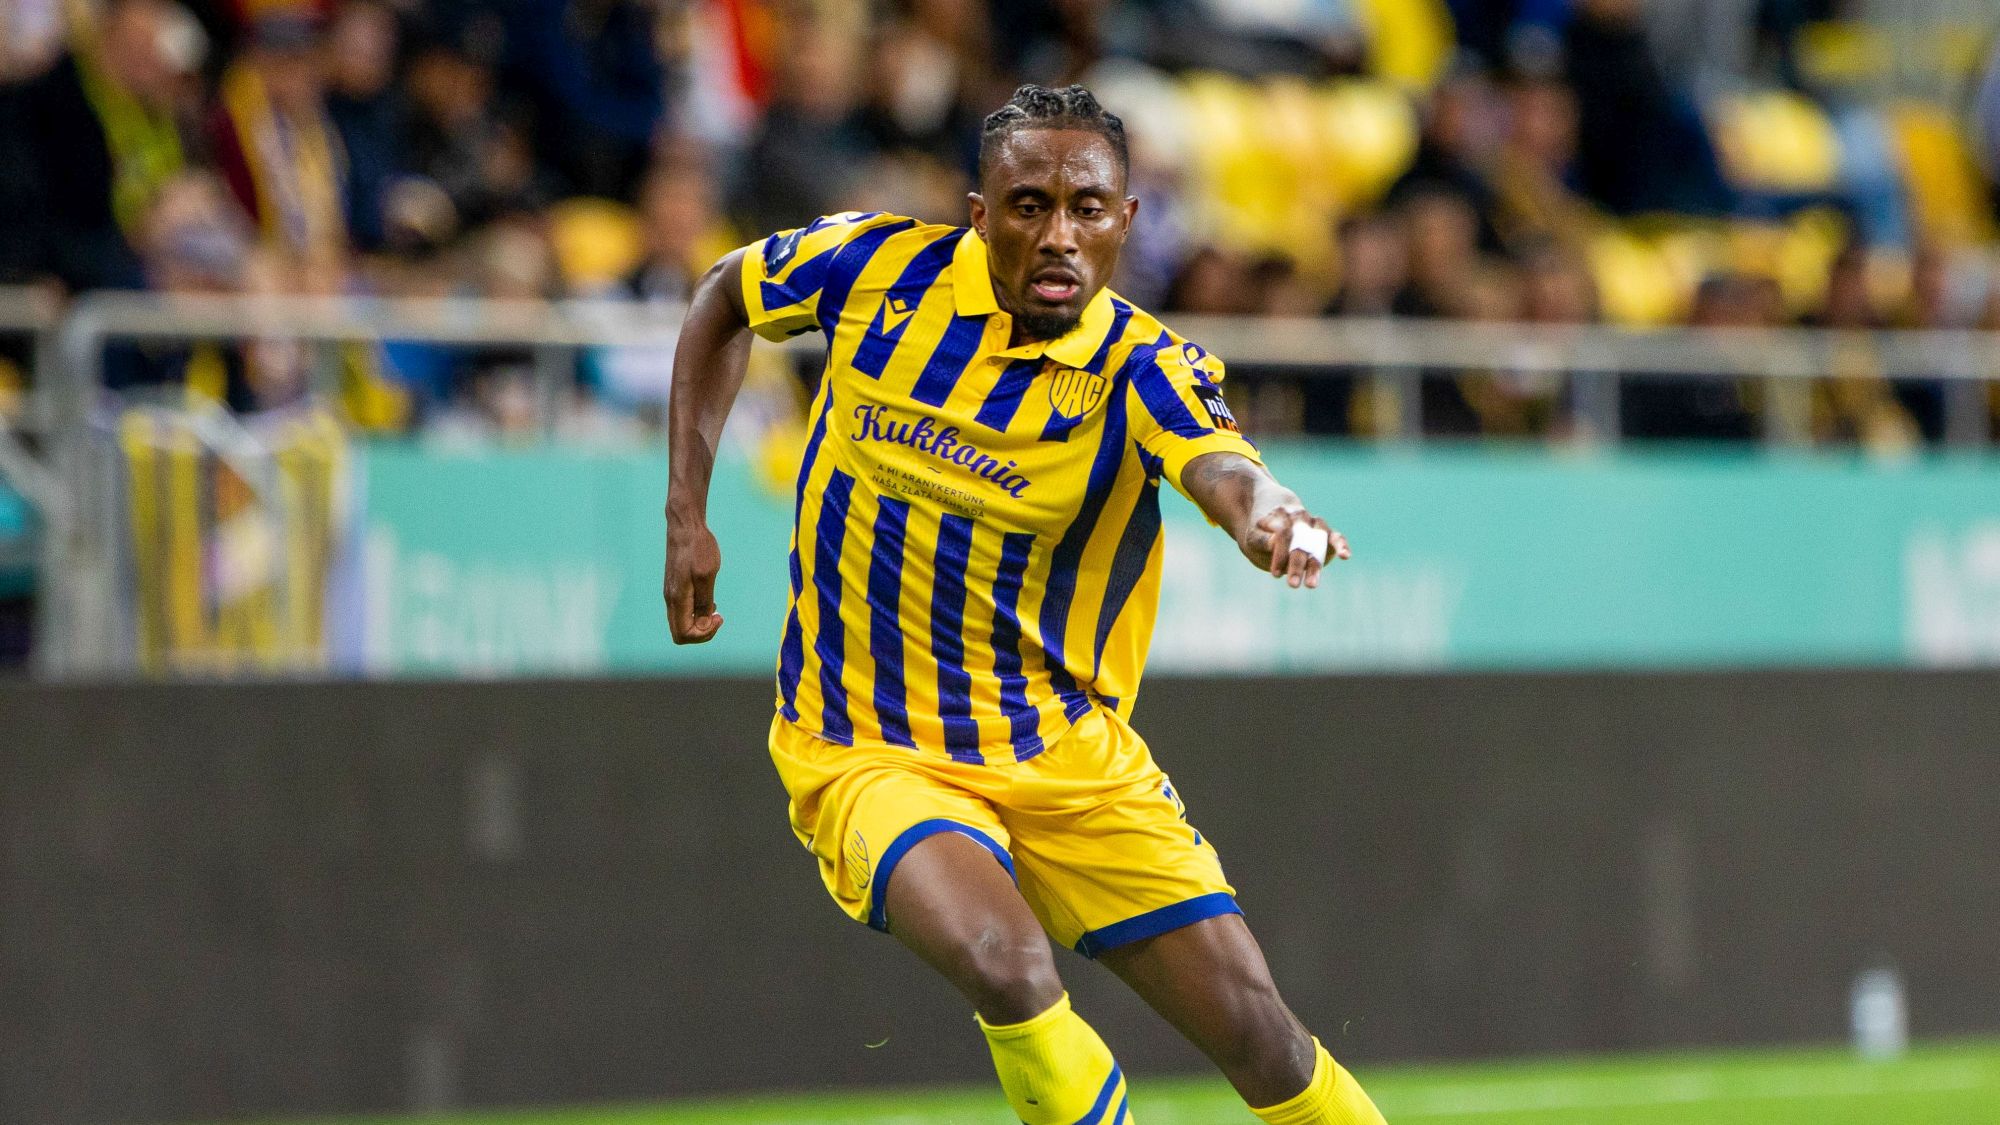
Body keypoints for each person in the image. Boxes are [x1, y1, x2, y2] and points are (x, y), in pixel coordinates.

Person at [663, 84, 1384, 1125]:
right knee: (1006, 963)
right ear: (980, 213)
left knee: (1262, 1036)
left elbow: (1227, 469)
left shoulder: (1142, 366)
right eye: (1028, 206)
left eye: (1087, 209)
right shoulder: (871, 269)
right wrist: (686, 511)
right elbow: (725, 295)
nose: (1058, 236)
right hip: (866, 743)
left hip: (1065, 751)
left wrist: (1274, 518)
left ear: (1125, 221)